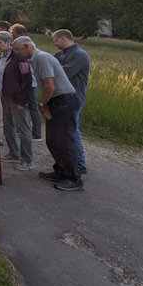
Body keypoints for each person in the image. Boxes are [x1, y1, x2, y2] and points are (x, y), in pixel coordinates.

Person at [13, 37, 83, 191]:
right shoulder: (35, 59)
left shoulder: (41, 58)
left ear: (26, 46)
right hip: (55, 102)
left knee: (65, 142)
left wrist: (41, 105)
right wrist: (45, 105)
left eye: (18, 49)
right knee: (52, 140)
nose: (17, 53)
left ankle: (74, 179)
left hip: (65, 101)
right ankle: (61, 171)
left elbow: (49, 86)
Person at [0, 31, 34, 170]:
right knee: (7, 125)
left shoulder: (19, 58)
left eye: (0, 43)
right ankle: (13, 152)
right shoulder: (0, 57)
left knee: (23, 128)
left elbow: (26, 80)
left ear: (8, 42)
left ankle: (27, 159)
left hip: (16, 100)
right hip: (2, 97)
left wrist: (21, 100)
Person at [53, 29, 90, 174]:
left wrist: (59, 69)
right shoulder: (59, 54)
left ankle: (79, 163)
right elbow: (51, 70)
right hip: (61, 97)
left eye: (56, 40)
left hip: (74, 98)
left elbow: (63, 73)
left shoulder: (79, 55)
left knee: (71, 131)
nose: (55, 44)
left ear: (63, 39)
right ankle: (65, 162)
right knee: (62, 132)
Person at [9, 23, 42, 140]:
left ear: (22, 34)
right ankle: (23, 128)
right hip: (22, 82)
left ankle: (37, 132)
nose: (11, 36)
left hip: (29, 82)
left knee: (32, 107)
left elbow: (26, 68)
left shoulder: (26, 47)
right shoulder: (20, 47)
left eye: (13, 34)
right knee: (24, 106)